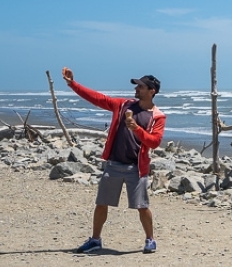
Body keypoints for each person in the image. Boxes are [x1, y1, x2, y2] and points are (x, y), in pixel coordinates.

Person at [61, 67, 166, 253]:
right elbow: (98, 98)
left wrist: (137, 129)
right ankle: (95, 240)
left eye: (141, 87)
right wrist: (72, 84)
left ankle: (150, 240)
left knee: (142, 206)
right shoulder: (123, 105)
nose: (136, 89)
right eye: (137, 86)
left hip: (136, 168)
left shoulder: (157, 116)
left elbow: (155, 142)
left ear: (152, 91)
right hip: (114, 164)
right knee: (101, 204)